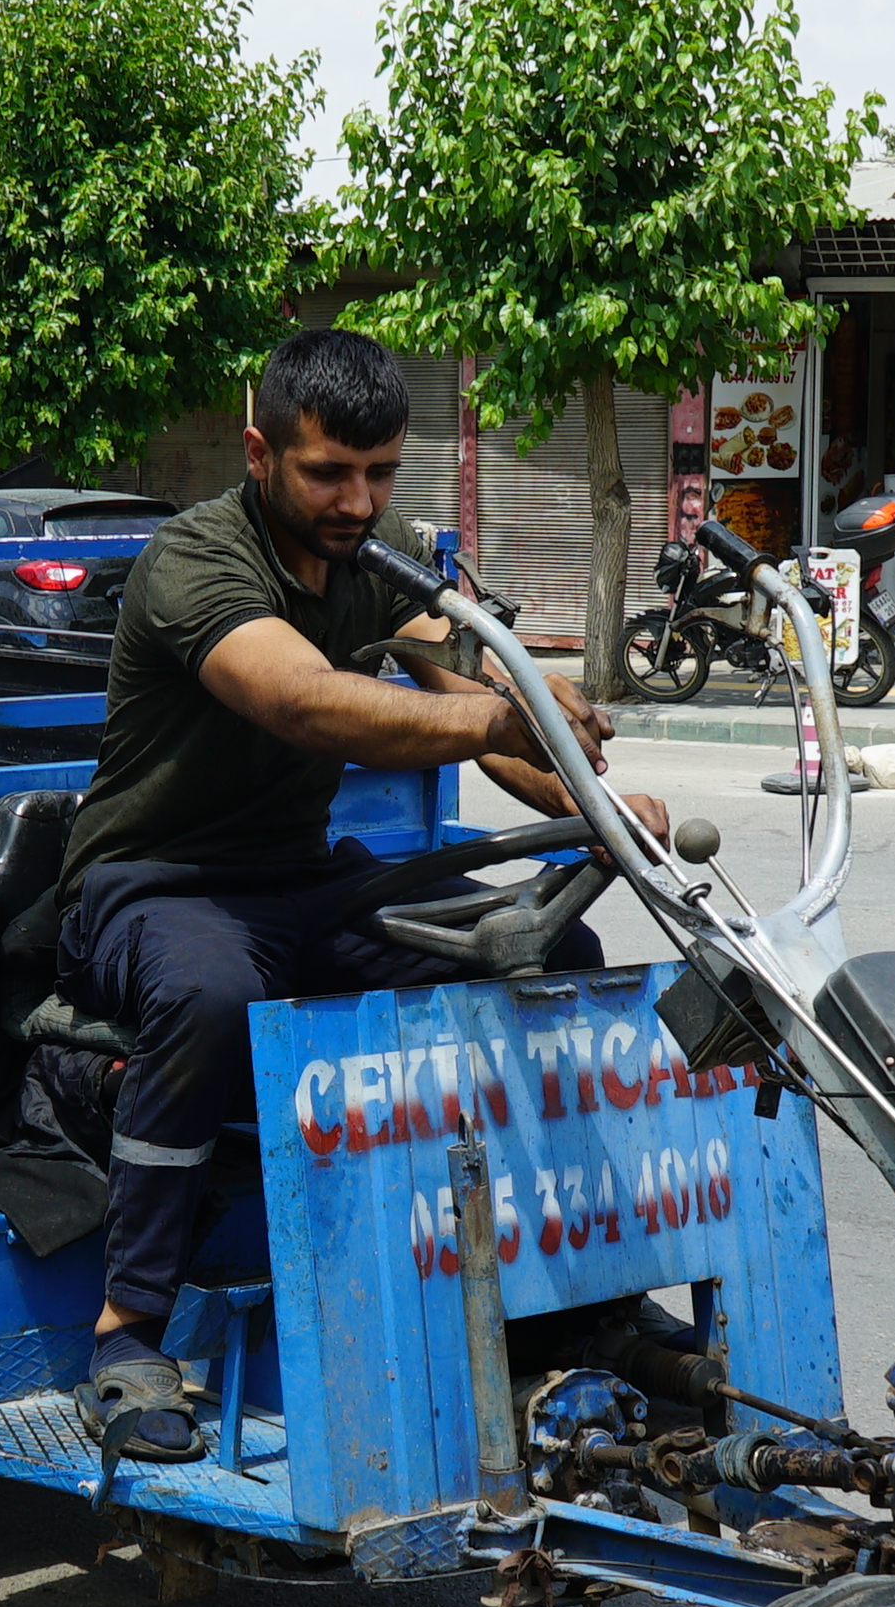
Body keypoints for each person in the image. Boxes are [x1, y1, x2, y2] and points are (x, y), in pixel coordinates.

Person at [54, 327, 673, 1462]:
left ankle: (577, 1296)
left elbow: (481, 706)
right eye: (329, 472)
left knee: (545, 952)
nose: (357, 499)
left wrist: (593, 796)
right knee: (207, 993)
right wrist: (499, 713)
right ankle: (128, 1331)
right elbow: (301, 700)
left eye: (381, 472)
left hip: (302, 882)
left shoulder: (381, 550)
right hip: (149, 886)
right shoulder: (197, 560)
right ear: (259, 452)